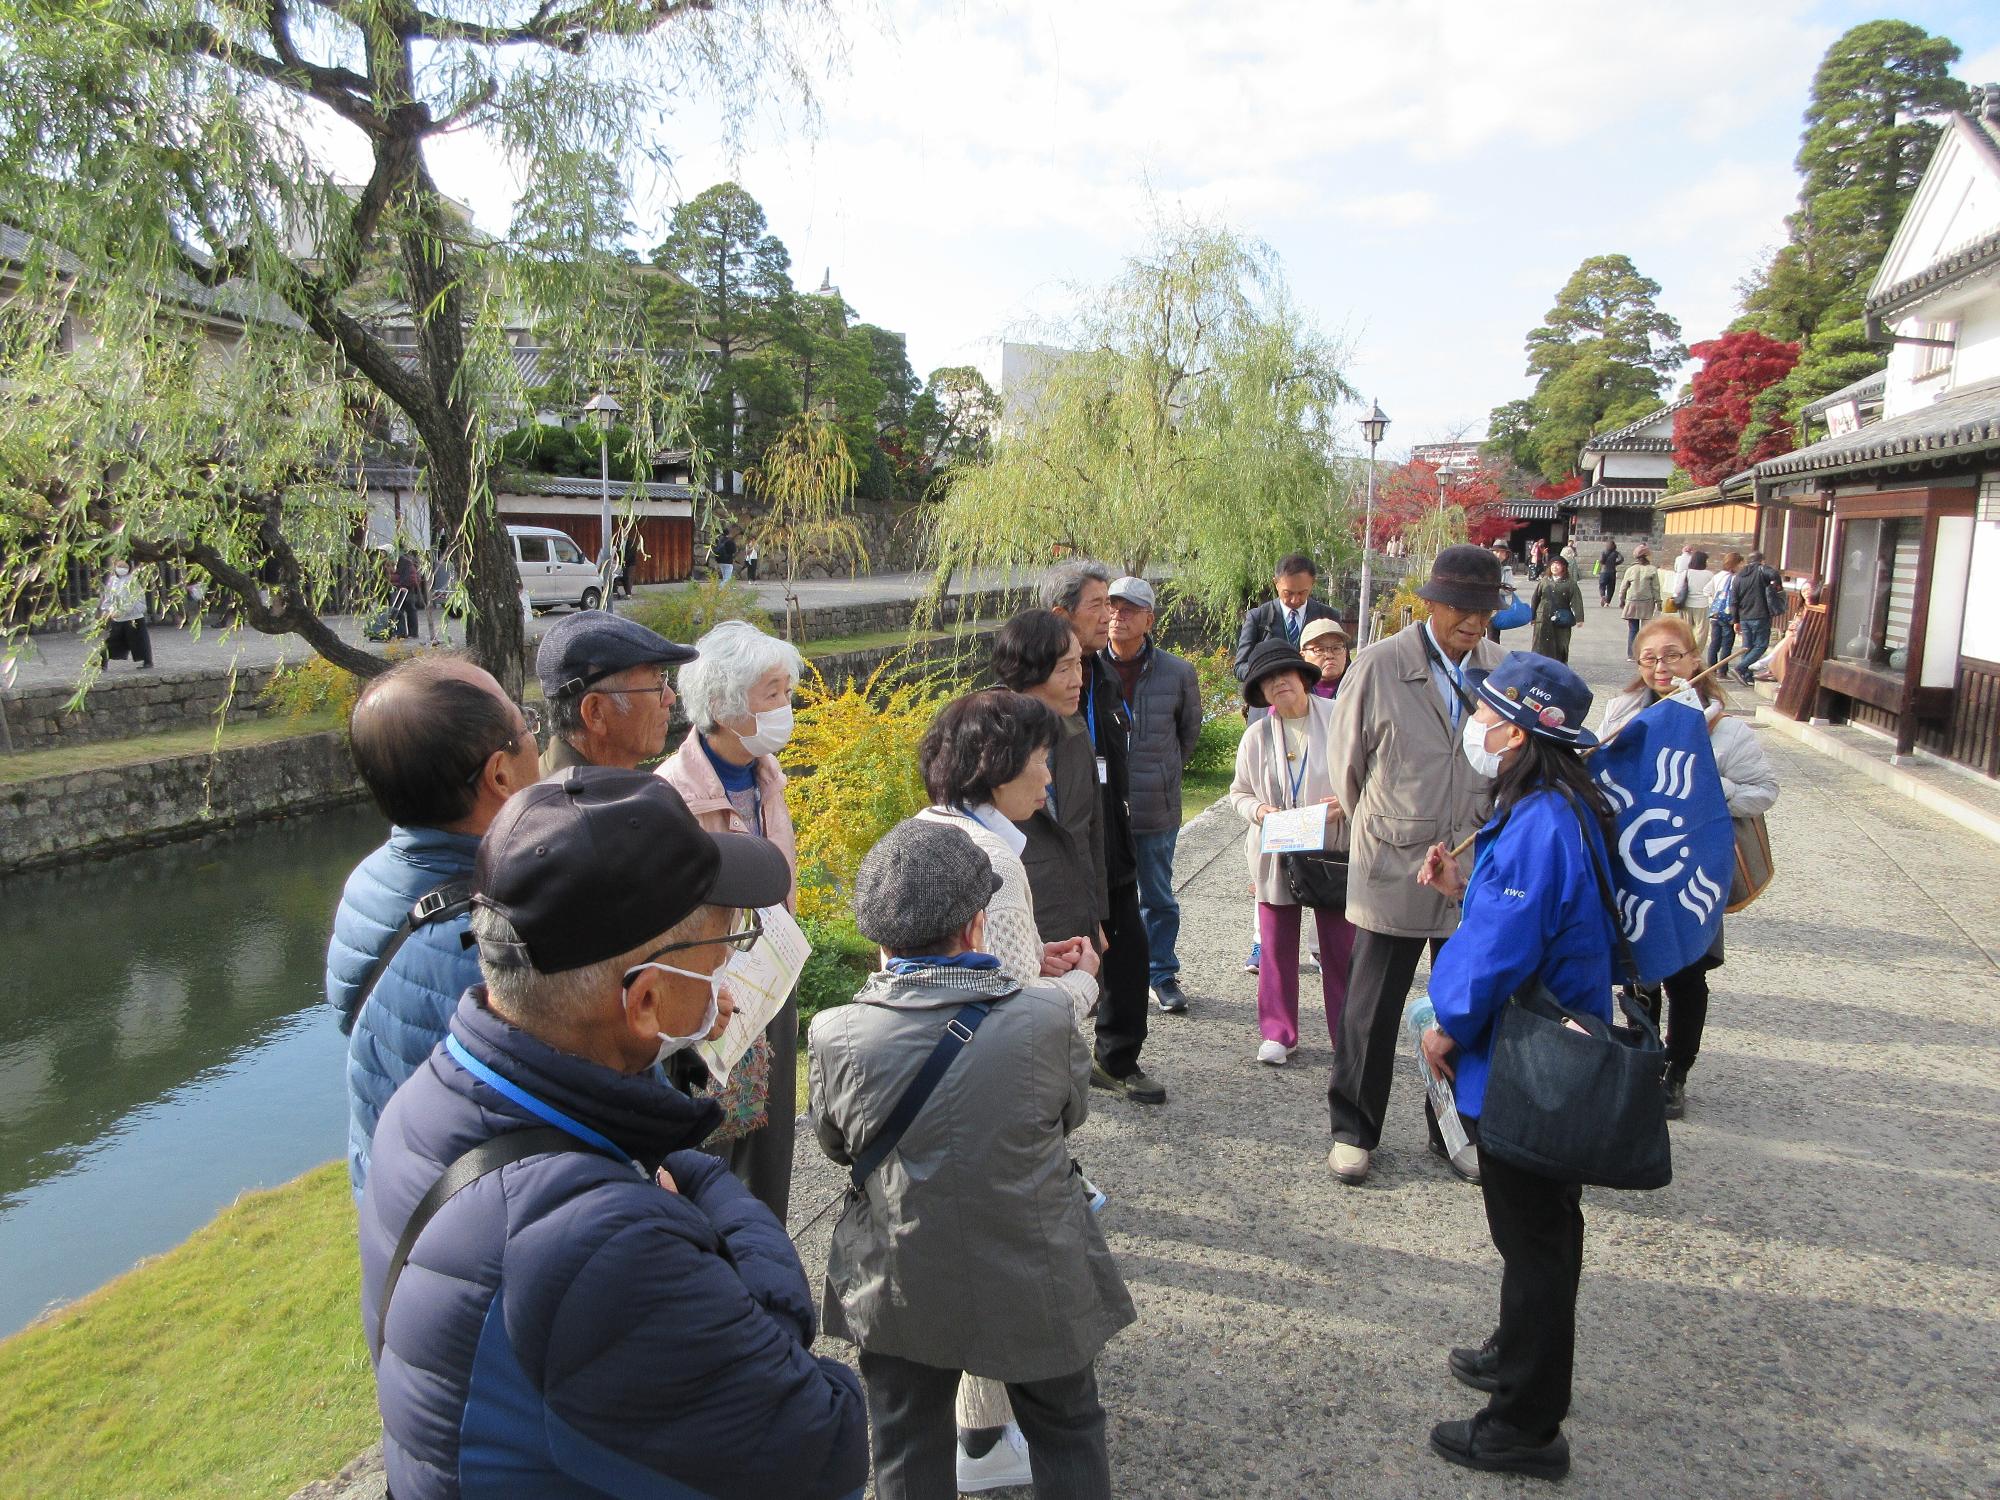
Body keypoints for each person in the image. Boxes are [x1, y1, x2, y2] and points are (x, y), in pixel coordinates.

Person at [357, 768, 867, 1500]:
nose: (730, 963)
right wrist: (744, 1249)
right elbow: (824, 1444)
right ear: (647, 1000)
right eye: (723, 942)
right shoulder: (600, 1247)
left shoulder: (435, 1096)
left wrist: (677, 1172)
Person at [811, 819, 1130, 1500]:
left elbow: (838, 1146)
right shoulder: (1044, 1020)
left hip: (900, 1271)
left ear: (880, 941)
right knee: (1068, 1425)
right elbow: (1069, 1116)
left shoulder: (836, 1034)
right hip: (1034, 1260)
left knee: (903, 1437)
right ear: (977, 927)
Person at [1414, 653, 1617, 1482]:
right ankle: (1515, 1355)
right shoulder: (1551, 809)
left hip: (1530, 1058)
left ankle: (1525, 1426)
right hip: (1546, 1044)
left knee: (1534, 1237)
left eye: (1490, 716)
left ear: (1522, 731)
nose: (1479, 729)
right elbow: (1516, 917)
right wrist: (1465, 886)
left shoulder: (1538, 822)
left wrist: (1447, 1024)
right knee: (1536, 1229)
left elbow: (1501, 947)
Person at [913, 688, 1101, 1488]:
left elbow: (978, 968)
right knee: (1013, 1281)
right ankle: (988, 1440)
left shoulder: (928, 831)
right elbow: (1019, 1018)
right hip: (990, 1097)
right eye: (1039, 762)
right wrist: (1085, 981)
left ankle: (981, 1438)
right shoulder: (995, 857)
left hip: (925, 1084)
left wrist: (1039, 958)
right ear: (996, 770)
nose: (1049, 780)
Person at [327, 656, 543, 1197]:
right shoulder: (498, 933)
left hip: (399, 1197)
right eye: (527, 726)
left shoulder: (373, 879)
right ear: (499, 774)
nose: (538, 741)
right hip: (485, 1220)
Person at [1325, 545, 1506, 1186]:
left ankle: (1457, 1131)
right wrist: (1393, 826)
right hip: (1393, 865)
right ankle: (1354, 1129)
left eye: (1484, 609)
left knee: (1466, 1006)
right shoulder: (1378, 666)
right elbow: (1346, 772)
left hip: (1473, 866)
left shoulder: (1502, 671)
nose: (1473, 622)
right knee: (1371, 1009)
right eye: (1460, 607)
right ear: (1429, 603)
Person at [656, 620, 806, 1223]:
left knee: (771, 1150)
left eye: (786, 691)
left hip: (771, 983)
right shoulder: (673, 796)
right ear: (723, 703)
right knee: (711, 1151)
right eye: (773, 693)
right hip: (705, 998)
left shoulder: (768, 777)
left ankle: (767, 1257)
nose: (786, 707)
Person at [1601, 617, 1779, 1120]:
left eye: (1672, 655)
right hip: (1635, 864)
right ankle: (1643, 1055)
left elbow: (1764, 790)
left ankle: (1677, 1069)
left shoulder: (1726, 729)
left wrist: (1715, 789)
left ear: (1695, 659)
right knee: (1638, 968)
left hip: (1691, 871)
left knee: (1687, 974)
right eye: (1649, 658)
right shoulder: (1620, 712)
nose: (1661, 666)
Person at [1045, 560, 1166, 1105]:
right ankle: (1045, 1078)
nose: (1109, 615)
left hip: (1110, 833)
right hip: (1057, 848)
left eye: (1115, 605)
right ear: (1060, 614)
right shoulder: (1036, 684)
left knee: (1129, 945)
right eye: (1097, 605)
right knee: (1058, 956)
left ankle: (1116, 1059)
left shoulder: (1104, 675)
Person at [1230, 638, 1352, 1067]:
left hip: (1330, 848)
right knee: (1277, 945)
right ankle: (1279, 1032)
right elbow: (1238, 793)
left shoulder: (1340, 720)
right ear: (1262, 694)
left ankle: (1347, 1035)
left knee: (1340, 946)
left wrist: (1342, 804)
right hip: (1276, 850)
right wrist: (1260, 810)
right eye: (1267, 681)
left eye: (1285, 674)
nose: (1278, 684)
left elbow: (1368, 777)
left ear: (1303, 678)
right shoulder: (1257, 735)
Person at [1102, 576, 1203, 1015]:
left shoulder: (1177, 673)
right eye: (1112, 608)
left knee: (1157, 894)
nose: (1118, 617)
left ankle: (1160, 972)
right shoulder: (1088, 668)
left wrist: (1159, 773)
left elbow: (1187, 736)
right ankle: (1106, 975)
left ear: (1149, 619)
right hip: (1102, 804)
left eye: (1129, 610)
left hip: (1155, 804)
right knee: (1103, 894)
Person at [992, 610, 1109, 963]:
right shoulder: (989, 739)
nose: (1078, 680)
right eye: (1064, 669)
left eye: (1079, 665)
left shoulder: (1073, 730)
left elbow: (1093, 829)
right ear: (1029, 672)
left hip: (1074, 909)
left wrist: (1096, 917)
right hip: (1014, 913)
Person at [536, 610, 695, 774]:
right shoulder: (567, 797)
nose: (670, 698)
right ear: (595, 712)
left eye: (664, 678)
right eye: (657, 685)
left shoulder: (598, 787)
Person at [1233, 553, 1338, 685]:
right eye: (1288, 593)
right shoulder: (1258, 617)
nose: (1295, 600)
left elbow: (1344, 664)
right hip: (1270, 698)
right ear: (1276, 583)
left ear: (1313, 583)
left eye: (1302, 593)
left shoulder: (1328, 616)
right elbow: (1240, 667)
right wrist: (1266, 675)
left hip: (1316, 698)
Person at [1730, 550, 1784, 688]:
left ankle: (1747, 676)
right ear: (1762, 561)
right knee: (1760, 645)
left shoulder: (1738, 577)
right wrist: (1775, 586)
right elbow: (1774, 574)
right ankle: (1740, 668)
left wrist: (1735, 620)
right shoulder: (1761, 570)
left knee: (1747, 647)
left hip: (1744, 616)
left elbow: (1733, 600)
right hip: (1760, 615)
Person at [97, 559, 153, 669]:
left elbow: (133, 600)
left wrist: (122, 611)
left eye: (124, 565)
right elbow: (108, 598)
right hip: (117, 618)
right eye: (119, 565)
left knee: (140, 641)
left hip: (133, 617)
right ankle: (102, 662)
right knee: (111, 641)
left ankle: (147, 661)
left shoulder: (133, 580)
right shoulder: (112, 581)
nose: (121, 568)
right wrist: (107, 610)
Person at [1530, 556, 1585, 664]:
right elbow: (1535, 598)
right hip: (1543, 617)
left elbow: (1576, 600)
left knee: (1560, 644)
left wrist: (1579, 618)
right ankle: (1538, 666)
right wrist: (1532, 616)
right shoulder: (1544, 581)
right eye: (1552, 564)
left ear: (1563, 567)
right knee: (1540, 644)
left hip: (1561, 618)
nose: (1554, 567)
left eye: (1558, 564)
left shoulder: (1570, 583)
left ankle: (1559, 667)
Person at [1614, 543, 1661, 660]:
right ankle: (1645, 654)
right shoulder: (1652, 570)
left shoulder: (1631, 570)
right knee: (1646, 630)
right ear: (1647, 556)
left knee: (1633, 629)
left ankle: (1631, 654)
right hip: (1647, 602)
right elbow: (1655, 588)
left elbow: (1624, 586)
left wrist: (1621, 599)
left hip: (1632, 601)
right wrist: (1659, 602)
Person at [1675, 549, 1715, 655]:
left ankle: (1685, 651)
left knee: (1686, 630)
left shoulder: (1686, 573)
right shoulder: (1709, 574)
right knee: (1701, 631)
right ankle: (1696, 653)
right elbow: (1712, 590)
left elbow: (1677, 589)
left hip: (1686, 604)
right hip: (1702, 604)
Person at [1706, 551, 1742, 670]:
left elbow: (1706, 590)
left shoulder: (1717, 576)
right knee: (1727, 643)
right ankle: (1722, 670)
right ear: (1735, 564)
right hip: (1727, 614)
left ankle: (1711, 668)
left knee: (1714, 642)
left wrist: (1714, 599)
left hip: (1716, 613)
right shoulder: (1735, 578)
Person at [1300, 617, 1350, 698]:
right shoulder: (1294, 692)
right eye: (1319, 649)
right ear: (1303, 655)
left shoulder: (1359, 685)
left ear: (1346, 653)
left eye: (1336, 648)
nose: (1329, 655)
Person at [1487, 545, 1519, 644]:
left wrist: (1493, 588)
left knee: (1493, 638)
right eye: (1496, 551)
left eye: (1502, 552)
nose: (1499, 555)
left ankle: (1493, 658)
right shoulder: (1484, 566)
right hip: (1480, 604)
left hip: (1495, 608)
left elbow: (1508, 590)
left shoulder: (1507, 570)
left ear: (1506, 555)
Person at [425, 551, 457, 645]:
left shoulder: (446, 566)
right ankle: (438, 636)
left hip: (447, 592)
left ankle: (439, 636)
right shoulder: (444, 566)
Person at [392, 552, 424, 640]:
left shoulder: (405, 563)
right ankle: (403, 633)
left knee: (408, 610)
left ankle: (408, 633)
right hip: (401, 589)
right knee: (401, 611)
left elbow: (412, 578)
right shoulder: (405, 563)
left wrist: (403, 585)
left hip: (406, 590)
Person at [1596, 540, 1622, 608]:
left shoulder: (1603, 552)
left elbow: (1601, 560)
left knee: (1602, 585)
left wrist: (1603, 563)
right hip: (1612, 572)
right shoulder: (1616, 553)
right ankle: (1607, 602)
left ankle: (1603, 596)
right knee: (1611, 587)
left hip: (1604, 571)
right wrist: (1615, 563)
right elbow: (1621, 559)